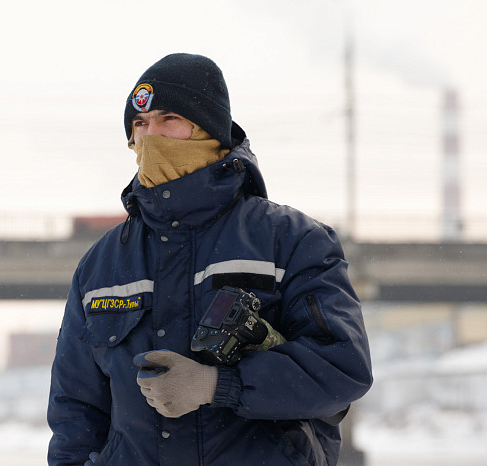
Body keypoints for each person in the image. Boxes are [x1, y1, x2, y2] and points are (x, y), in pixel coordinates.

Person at [47, 53, 373, 466]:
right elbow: (74, 413)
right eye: (140, 125)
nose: (150, 137)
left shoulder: (291, 241)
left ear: (209, 130)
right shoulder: (101, 264)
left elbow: (343, 369)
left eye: (169, 120)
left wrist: (218, 386)